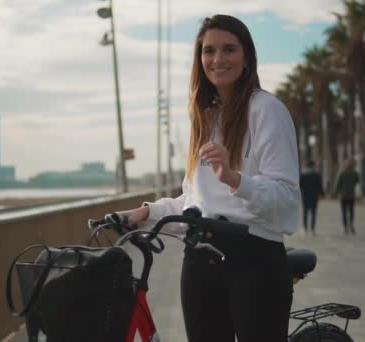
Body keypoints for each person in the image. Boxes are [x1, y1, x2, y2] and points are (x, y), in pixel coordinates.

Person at [114, 14, 300, 342]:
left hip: (253, 260)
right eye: (208, 51)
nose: (217, 59)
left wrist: (233, 177)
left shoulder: (267, 110)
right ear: (199, 60)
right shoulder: (205, 118)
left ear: (247, 56)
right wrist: (146, 212)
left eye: (229, 49)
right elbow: (193, 201)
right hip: (199, 261)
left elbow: (286, 199)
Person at [299, 160, 324, 236]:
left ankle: (305, 228)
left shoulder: (303, 175)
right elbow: (319, 185)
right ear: (313, 166)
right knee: (313, 212)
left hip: (305, 196)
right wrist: (322, 194)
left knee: (305, 212)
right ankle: (312, 229)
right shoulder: (316, 175)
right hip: (314, 196)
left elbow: (300, 185)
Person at [334, 159, 359, 235]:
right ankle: (351, 224)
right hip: (351, 195)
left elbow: (337, 184)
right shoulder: (354, 173)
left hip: (343, 196)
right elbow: (357, 181)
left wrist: (336, 193)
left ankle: (345, 227)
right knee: (351, 211)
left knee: (344, 212)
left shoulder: (342, 173)